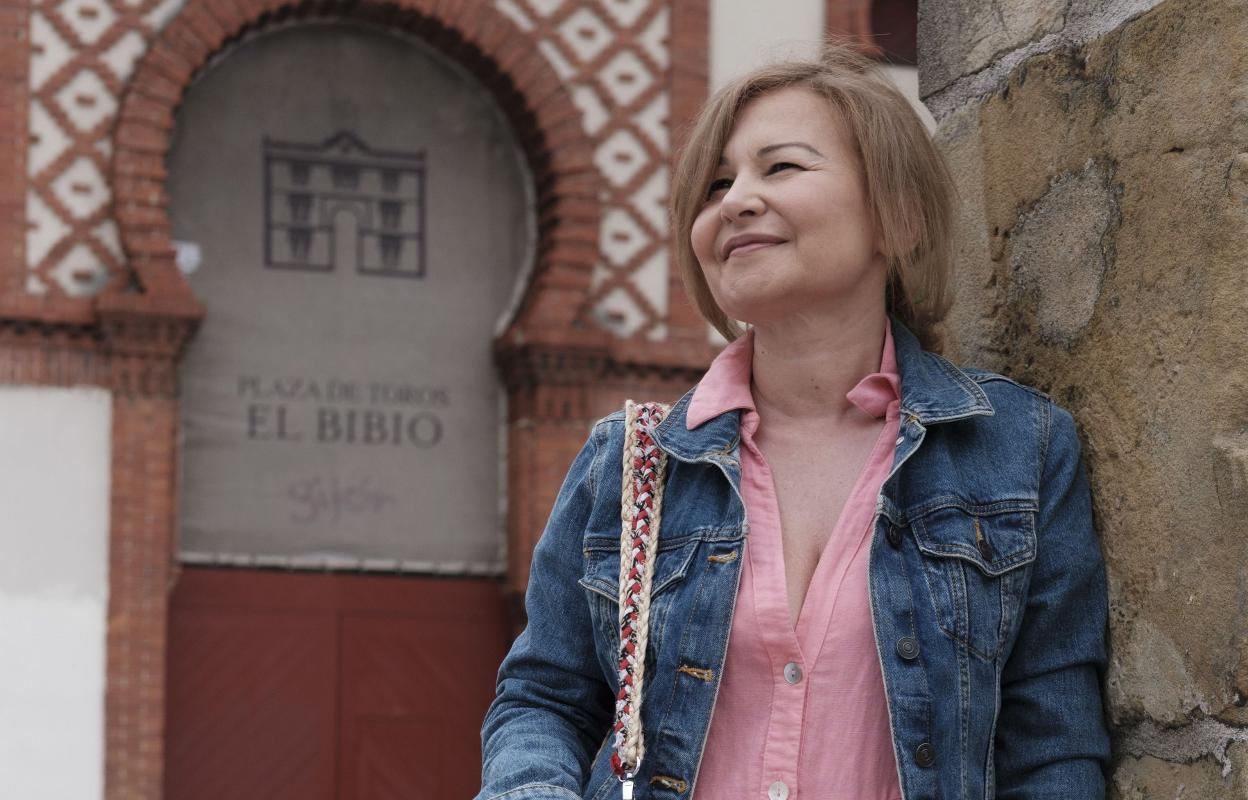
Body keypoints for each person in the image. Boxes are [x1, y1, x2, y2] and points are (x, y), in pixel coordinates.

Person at [477, 45, 1109, 800]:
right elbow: (542, 699)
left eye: (780, 168)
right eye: (716, 184)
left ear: (897, 216)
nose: (736, 199)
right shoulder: (629, 462)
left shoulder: (1019, 449)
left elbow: (1053, 751)